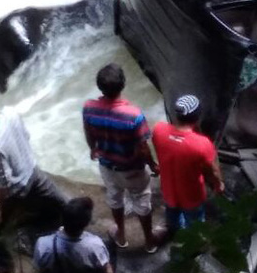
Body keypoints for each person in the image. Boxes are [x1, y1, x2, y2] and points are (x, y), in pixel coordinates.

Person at [0, 88, 70, 273]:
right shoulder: (11, 113)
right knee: (65, 203)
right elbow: (26, 136)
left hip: (19, 189)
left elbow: (4, 182)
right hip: (34, 172)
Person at [82, 64, 159, 252]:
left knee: (115, 197)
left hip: (107, 165)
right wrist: (152, 165)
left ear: (99, 87)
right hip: (132, 168)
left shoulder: (89, 108)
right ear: (123, 84)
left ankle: (121, 236)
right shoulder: (133, 115)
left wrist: (93, 149)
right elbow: (142, 147)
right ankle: (149, 241)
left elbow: (88, 132)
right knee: (141, 200)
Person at [152, 94, 224, 237]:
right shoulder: (202, 144)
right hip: (192, 196)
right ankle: (193, 242)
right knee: (195, 225)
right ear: (198, 116)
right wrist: (218, 185)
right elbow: (213, 172)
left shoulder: (158, 130)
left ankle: (175, 232)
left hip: (168, 190)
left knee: (172, 215)